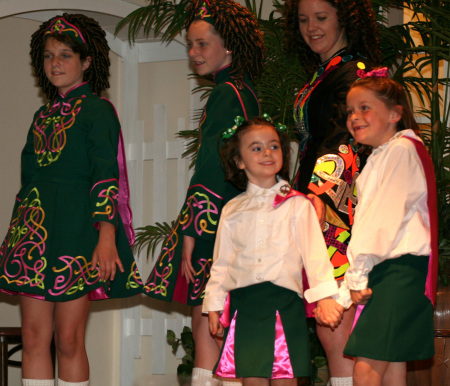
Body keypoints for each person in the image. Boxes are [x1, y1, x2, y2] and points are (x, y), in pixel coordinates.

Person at [0, 13, 143, 386]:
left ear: (87, 61)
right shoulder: (41, 116)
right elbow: (29, 180)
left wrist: (106, 236)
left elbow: (105, 176)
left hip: (77, 233)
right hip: (33, 233)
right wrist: (16, 236)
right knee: (33, 338)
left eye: (65, 55)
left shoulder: (98, 110)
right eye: (48, 56)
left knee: (67, 340)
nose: (55, 63)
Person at [142, 1, 264, 384]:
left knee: (207, 318)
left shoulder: (227, 94)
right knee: (219, 320)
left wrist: (192, 234)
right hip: (237, 219)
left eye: (201, 44)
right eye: (189, 46)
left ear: (228, 46)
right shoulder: (243, 92)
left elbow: (214, 171)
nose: (193, 53)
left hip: (219, 222)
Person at [203, 116, 343, 386]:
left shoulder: (297, 204)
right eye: (256, 148)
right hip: (244, 306)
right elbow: (221, 263)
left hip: (283, 303)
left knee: (284, 377)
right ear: (239, 161)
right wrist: (214, 306)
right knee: (251, 378)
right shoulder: (232, 209)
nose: (267, 152)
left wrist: (325, 297)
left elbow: (314, 255)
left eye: (274, 146)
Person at [283, 1, 382, 384]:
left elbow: (344, 141)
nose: (312, 28)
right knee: (328, 322)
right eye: (304, 20)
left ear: (345, 17)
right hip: (314, 198)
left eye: (321, 18)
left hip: (334, 207)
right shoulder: (328, 70)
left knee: (334, 317)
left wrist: (318, 198)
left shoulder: (353, 72)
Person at [337, 71, 437, 386]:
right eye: (351, 111)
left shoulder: (400, 151)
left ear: (395, 114)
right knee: (392, 364)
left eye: (365, 108)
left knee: (366, 367)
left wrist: (355, 275)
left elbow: (380, 223)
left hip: (398, 270)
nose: (355, 117)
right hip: (394, 269)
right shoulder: (386, 154)